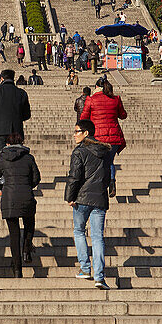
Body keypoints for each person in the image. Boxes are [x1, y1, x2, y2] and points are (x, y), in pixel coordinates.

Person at [66, 119, 111, 289]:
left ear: (86, 133)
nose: (74, 134)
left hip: (82, 198)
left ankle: (85, 268)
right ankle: (100, 277)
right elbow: (108, 175)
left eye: (77, 131)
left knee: (79, 231)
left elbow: (75, 176)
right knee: (98, 237)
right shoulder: (104, 151)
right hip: (99, 197)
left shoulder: (79, 151)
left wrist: (69, 196)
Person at [0, 132, 41, 277]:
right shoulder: (29, 158)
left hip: (9, 197)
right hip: (26, 195)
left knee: (14, 234)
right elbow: (36, 178)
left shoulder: (2, 158)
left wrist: (5, 185)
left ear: (7, 144)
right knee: (29, 223)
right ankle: (26, 249)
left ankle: (17, 270)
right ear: (22, 143)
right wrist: (27, 184)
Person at [81, 79, 128, 197]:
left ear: (96, 87)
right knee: (109, 161)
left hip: (98, 137)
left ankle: (100, 186)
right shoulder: (115, 99)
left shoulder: (91, 99)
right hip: (114, 136)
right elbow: (123, 115)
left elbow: (83, 117)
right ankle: (112, 182)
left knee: (99, 162)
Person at [0, 69, 32, 156]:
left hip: (0, 129)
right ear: (13, 79)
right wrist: (19, 118)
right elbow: (27, 114)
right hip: (16, 130)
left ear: (2, 79)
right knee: (17, 157)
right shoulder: (21, 93)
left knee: (1, 157)